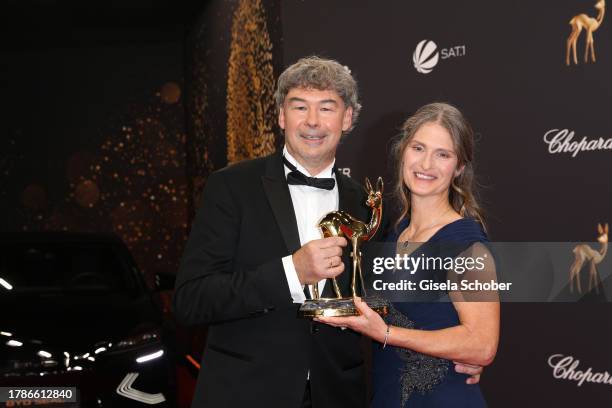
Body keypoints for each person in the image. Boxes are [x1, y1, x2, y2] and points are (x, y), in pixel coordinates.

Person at [174, 58, 482, 408]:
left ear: (347, 118)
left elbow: (384, 305)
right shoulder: (232, 187)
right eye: (300, 107)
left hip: (338, 395)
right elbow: (191, 300)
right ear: (280, 116)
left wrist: (449, 356)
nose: (313, 122)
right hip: (245, 393)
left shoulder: (367, 205)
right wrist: (292, 271)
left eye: (327, 108)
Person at [317, 102, 500, 407]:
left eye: (443, 154)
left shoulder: (465, 243)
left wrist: (387, 333)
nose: (426, 164)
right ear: (403, 151)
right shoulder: (395, 232)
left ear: (459, 168)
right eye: (418, 148)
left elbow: (482, 345)